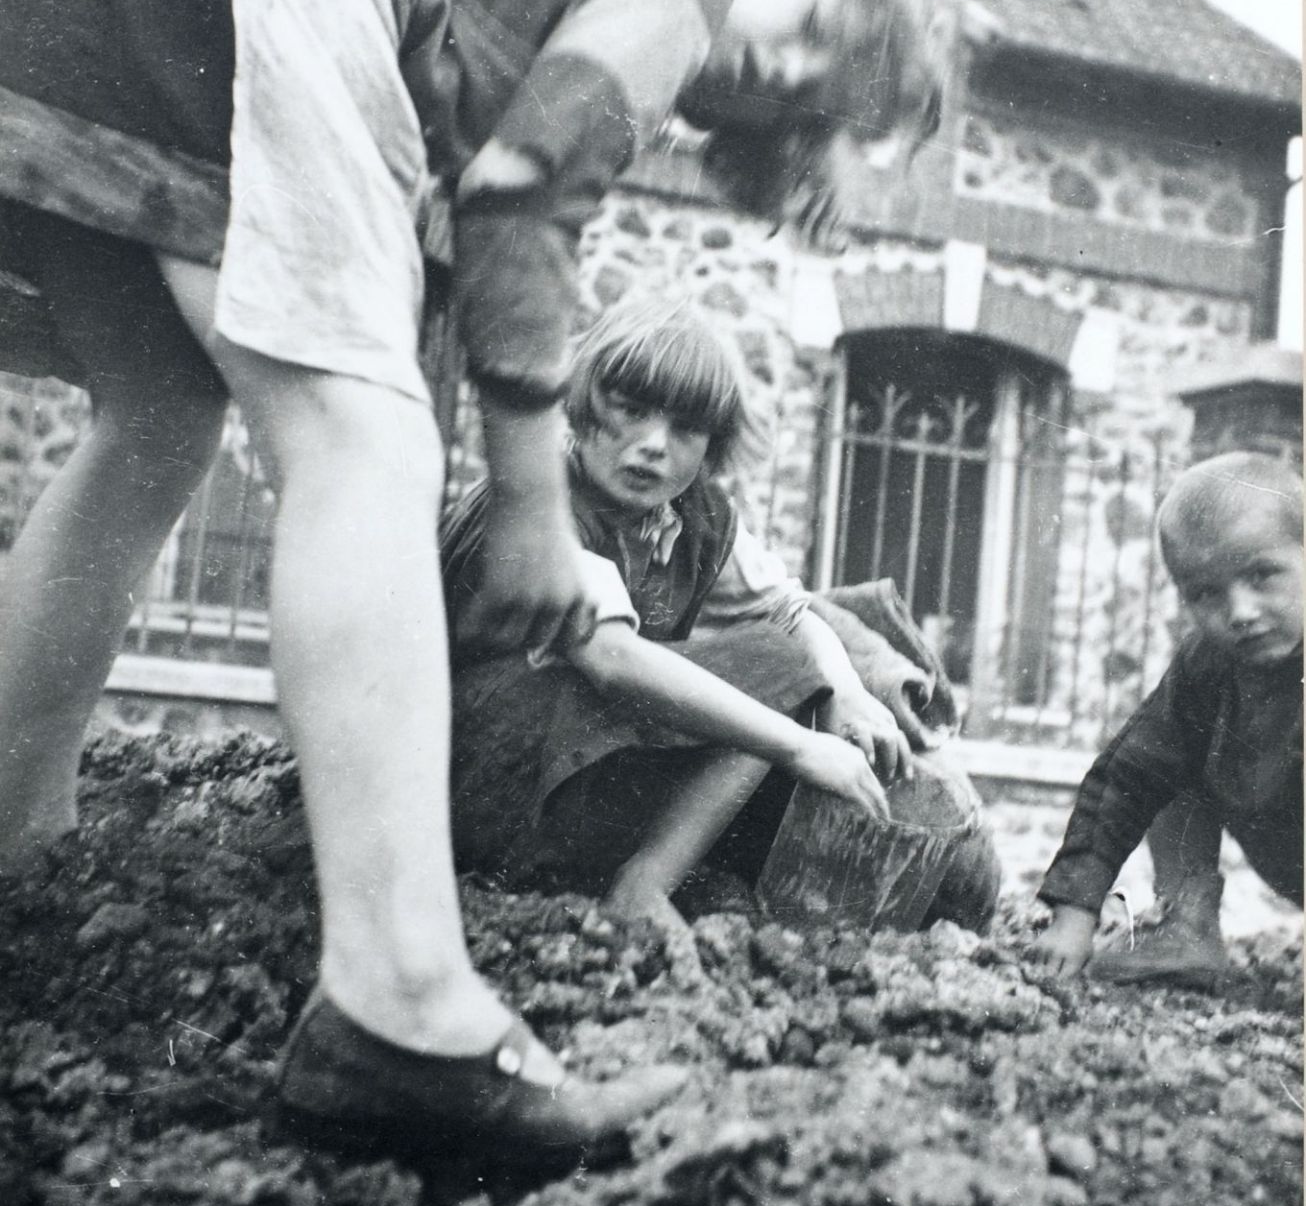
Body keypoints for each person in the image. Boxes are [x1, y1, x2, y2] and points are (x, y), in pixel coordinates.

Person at [0, 0, 944, 1172]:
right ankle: (401, 1006)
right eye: (820, 15)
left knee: (159, 413)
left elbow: (443, 253)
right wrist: (524, 507)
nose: (789, 53)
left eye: (815, 84)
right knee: (360, 439)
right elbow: (522, 195)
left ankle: (18, 846)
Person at [443, 296, 998, 947]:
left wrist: (844, 690)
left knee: (796, 667)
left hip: (560, 774)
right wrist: (797, 742)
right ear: (586, 405)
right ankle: (641, 889)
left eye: (684, 428)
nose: (653, 446)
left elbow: (790, 610)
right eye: (630, 409)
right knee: (773, 671)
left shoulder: (692, 516)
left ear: (712, 446)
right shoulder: (540, 496)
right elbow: (611, 658)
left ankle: (675, 881)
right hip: (471, 774)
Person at [1035, 452, 1303, 984]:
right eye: (1205, 593)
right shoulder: (1206, 664)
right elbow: (1124, 777)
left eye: (1263, 574)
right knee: (1167, 748)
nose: (1241, 612)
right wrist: (1075, 912)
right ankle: (1187, 925)